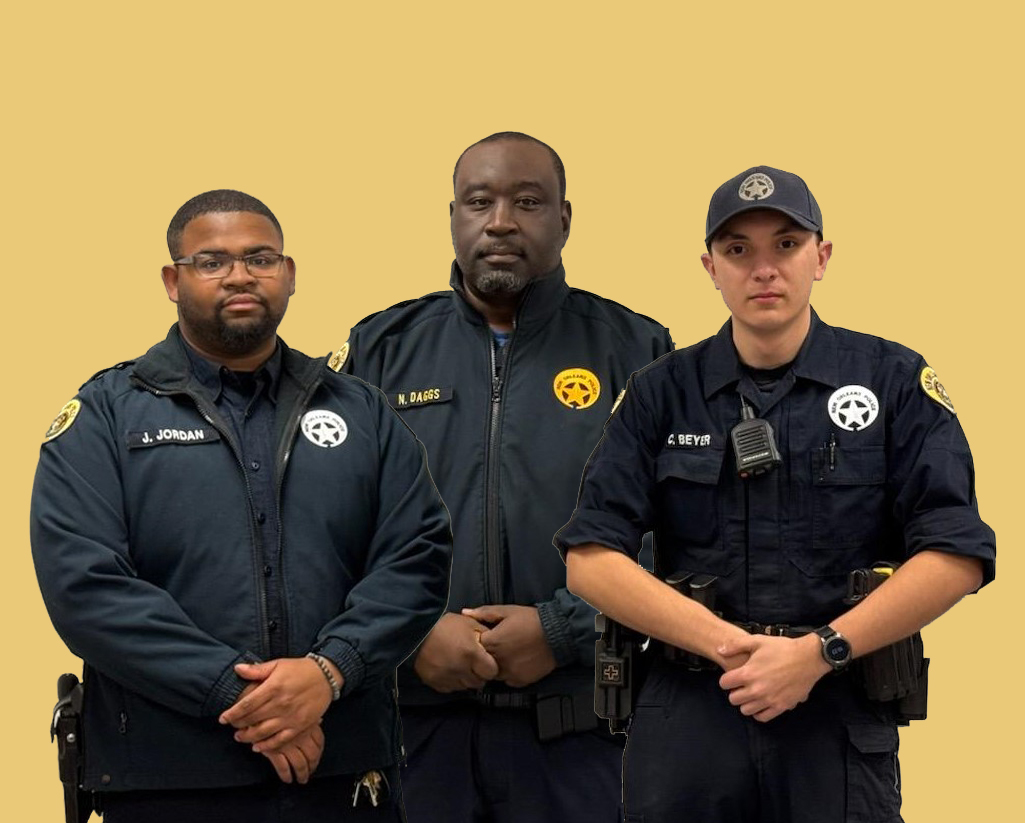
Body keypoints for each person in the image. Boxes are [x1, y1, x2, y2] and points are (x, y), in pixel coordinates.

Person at [556, 166, 996, 823]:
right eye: (738, 250)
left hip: (835, 714)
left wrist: (819, 651)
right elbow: (589, 558)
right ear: (709, 267)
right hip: (688, 718)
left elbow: (955, 553)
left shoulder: (893, 381)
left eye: (785, 244)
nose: (763, 268)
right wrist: (727, 645)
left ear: (821, 256)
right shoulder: (658, 392)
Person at [31, 190, 453, 822]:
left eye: (260, 258)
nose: (238, 275)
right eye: (211, 261)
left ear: (288, 275)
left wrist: (329, 672)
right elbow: (85, 588)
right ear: (173, 281)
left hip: (341, 774)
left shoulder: (360, 411)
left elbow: (416, 560)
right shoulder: (105, 414)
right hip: (165, 779)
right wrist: (242, 695)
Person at [335, 132, 673, 822]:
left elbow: (680, 532)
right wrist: (411, 630)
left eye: (526, 202)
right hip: (413, 738)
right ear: (452, 215)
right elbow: (323, 526)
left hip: (585, 738)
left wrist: (562, 629)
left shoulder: (638, 351)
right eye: (478, 201)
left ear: (564, 218)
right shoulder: (378, 349)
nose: (499, 222)